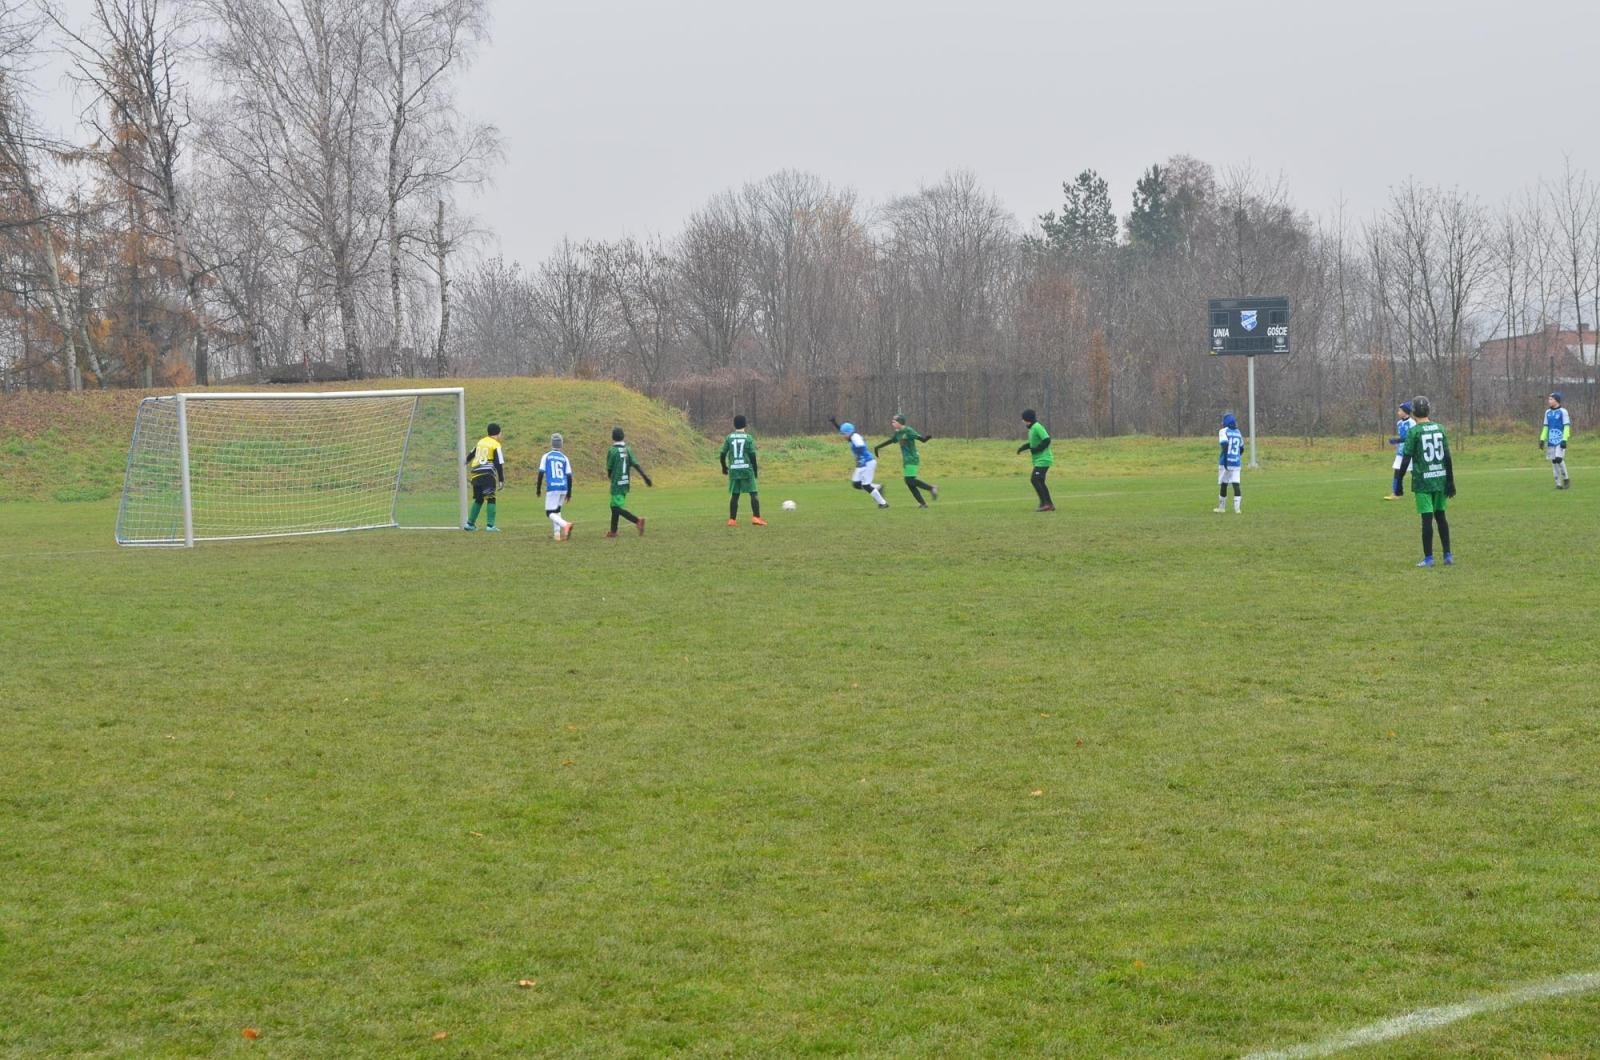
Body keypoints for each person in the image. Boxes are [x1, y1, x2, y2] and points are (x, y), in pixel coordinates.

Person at [1395, 395, 1455, 567]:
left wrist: (1398, 483)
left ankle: (1429, 558)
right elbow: (1448, 457)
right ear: (1429, 410)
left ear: (1413, 412)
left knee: (1427, 519)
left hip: (1423, 481)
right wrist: (1450, 481)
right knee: (1441, 517)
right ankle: (1447, 555)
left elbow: (1406, 459)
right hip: (1440, 479)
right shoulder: (1440, 428)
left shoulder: (1414, 432)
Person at [875, 413, 938, 508]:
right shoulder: (898, 432)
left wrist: (927, 438)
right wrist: (878, 447)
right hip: (906, 459)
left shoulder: (908, 430)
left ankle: (931, 488)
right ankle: (923, 503)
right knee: (909, 482)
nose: (892, 423)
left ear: (900, 422)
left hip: (912, 458)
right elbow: (891, 440)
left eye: (894, 421)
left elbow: (922, 440)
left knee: (909, 480)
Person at [828, 417, 889, 508]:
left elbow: (860, 445)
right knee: (856, 484)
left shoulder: (855, 437)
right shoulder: (851, 436)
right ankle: (877, 487)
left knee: (866, 485)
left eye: (844, 434)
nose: (843, 436)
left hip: (868, 462)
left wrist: (859, 453)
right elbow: (843, 430)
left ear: (849, 433)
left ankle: (883, 503)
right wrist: (834, 423)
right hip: (861, 464)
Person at [604, 426, 651, 538]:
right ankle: (613, 532)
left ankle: (637, 521)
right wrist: (645, 477)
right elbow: (636, 464)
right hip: (625, 483)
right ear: (623, 437)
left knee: (615, 507)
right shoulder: (628, 449)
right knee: (614, 506)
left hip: (617, 483)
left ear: (613, 437)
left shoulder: (612, 450)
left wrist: (610, 476)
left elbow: (609, 468)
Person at [720, 414, 765, 526]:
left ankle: (732, 520)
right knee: (753, 493)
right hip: (746, 469)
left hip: (734, 469)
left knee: (735, 495)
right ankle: (756, 517)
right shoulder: (748, 438)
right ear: (745, 424)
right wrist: (755, 470)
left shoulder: (729, 437)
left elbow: (722, 454)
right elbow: (752, 455)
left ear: (734, 425)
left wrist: (724, 467)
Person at [463, 422, 505, 531]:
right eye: (501, 433)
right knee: (491, 498)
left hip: (475, 473)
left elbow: (471, 454)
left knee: (479, 498)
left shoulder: (481, 442)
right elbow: (498, 463)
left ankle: (470, 524)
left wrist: (465, 461)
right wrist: (501, 480)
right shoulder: (496, 445)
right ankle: (490, 526)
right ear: (497, 434)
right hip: (487, 473)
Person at [536, 433, 574, 541]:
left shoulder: (546, 456)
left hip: (553, 487)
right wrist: (569, 493)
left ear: (551, 444)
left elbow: (540, 474)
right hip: (564, 487)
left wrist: (538, 489)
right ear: (561, 445)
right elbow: (569, 476)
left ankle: (565, 524)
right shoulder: (564, 458)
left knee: (549, 513)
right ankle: (557, 534)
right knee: (557, 510)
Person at [1017, 409, 1054, 511]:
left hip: (1044, 459)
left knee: (1035, 479)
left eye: (1023, 419)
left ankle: (1046, 504)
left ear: (1026, 419)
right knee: (1040, 481)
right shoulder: (1032, 428)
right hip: (1039, 460)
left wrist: (1036, 450)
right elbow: (1033, 444)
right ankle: (1048, 504)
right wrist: (1023, 448)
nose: (1022, 421)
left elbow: (1047, 440)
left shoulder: (1037, 427)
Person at [1384, 401, 1417, 499]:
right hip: (1400, 452)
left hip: (1410, 452)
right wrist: (1396, 443)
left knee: (1414, 473)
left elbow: (1412, 437)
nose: (1398, 412)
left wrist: (1398, 440)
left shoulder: (1412, 423)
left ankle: (1419, 492)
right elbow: (1402, 437)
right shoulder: (1399, 423)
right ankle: (1396, 493)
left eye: (1400, 410)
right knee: (1397, 471)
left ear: (1406, 412)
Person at [1541, 392, 1572, 490]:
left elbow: (1566, 426)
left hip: (1560, 440)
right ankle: (1558, 484)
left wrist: (1564, 439)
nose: (1549, 401)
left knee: (1559, 459)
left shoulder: (1563, 411)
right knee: (1554, 461)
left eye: (1551, 399)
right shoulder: (1547, 412)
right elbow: (1546, 427)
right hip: (1551, 441)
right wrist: (1542, 439)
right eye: (1549, 399)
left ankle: (1566, 478)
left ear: (1556, 400)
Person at [1215, 412, 1243, 513]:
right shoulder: (1238, 432)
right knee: (1236, 484)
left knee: (1224, 484)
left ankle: (1222, 508)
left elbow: (1224, 444)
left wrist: (1227, 458)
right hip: (1236, 462)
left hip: (1225, 461)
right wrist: (1236, 457)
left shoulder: (1223, 431)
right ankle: (1237, 509)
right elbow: (1241, 448)